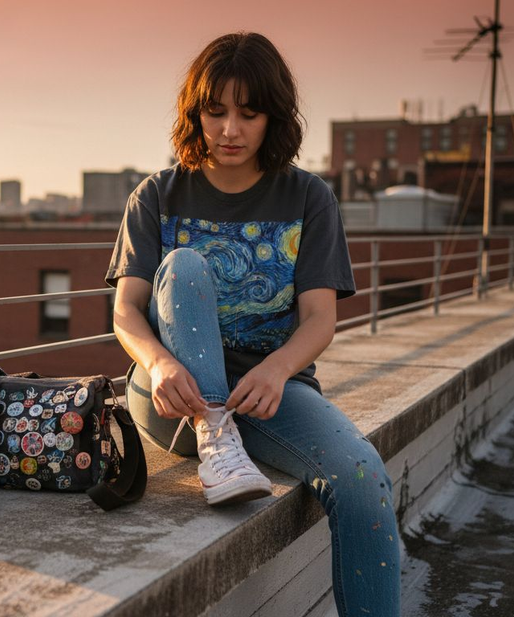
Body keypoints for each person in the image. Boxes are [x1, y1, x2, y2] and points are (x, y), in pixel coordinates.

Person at [105, 32, 400, 617]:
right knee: (185, 263)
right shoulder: (157, 195)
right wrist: (160, 362)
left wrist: (276, 370)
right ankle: (216, 436)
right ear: (196, 113)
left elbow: (319, 318)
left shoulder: (308, 197)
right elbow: (126, 310)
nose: (229, 130)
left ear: (275, 116)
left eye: (248, 112)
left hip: (270, 391)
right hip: (175, 398)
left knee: (363, 478)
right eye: (215, 112)